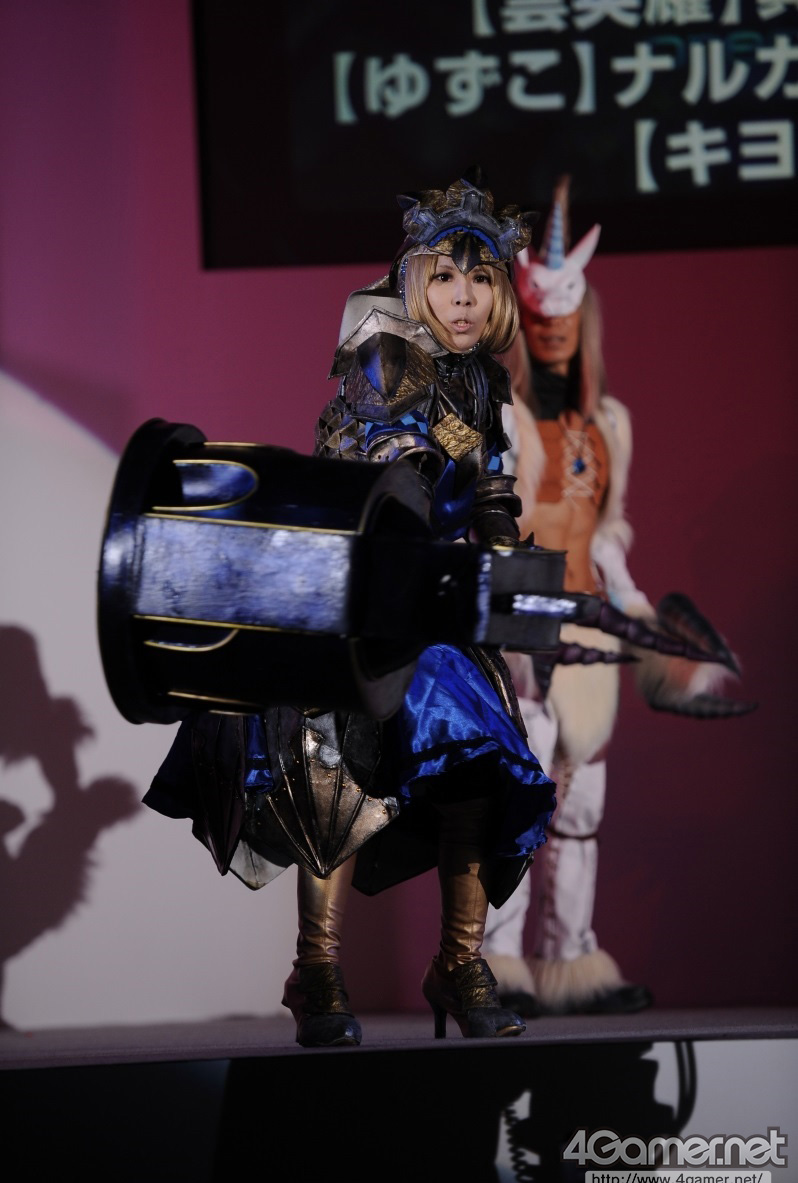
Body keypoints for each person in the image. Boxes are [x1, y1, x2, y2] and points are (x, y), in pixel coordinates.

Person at [144, 172, 557, 1046]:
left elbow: (490, 488)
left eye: (482, 279)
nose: (464, 296)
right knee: (331, 777)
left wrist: (503, 553)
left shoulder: (483, 381)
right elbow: (389, 470)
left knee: (479, 767)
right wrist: (448, 510)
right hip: (347, 603)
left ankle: (459, 962)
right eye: (447, 276)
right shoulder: (384, 352)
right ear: (414, 280)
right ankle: (318, 973)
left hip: (432, 606)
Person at [482, 178, 751, 1017]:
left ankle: (570, 962)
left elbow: (604, 537)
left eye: (565, 323)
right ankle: (494, 964)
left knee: (581, 806)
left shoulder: (607, 428)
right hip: (518, 631)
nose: (553, 334)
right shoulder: (496, 424)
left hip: (590, 630)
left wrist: (643, 622)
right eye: (541, 323)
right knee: (516, 798)